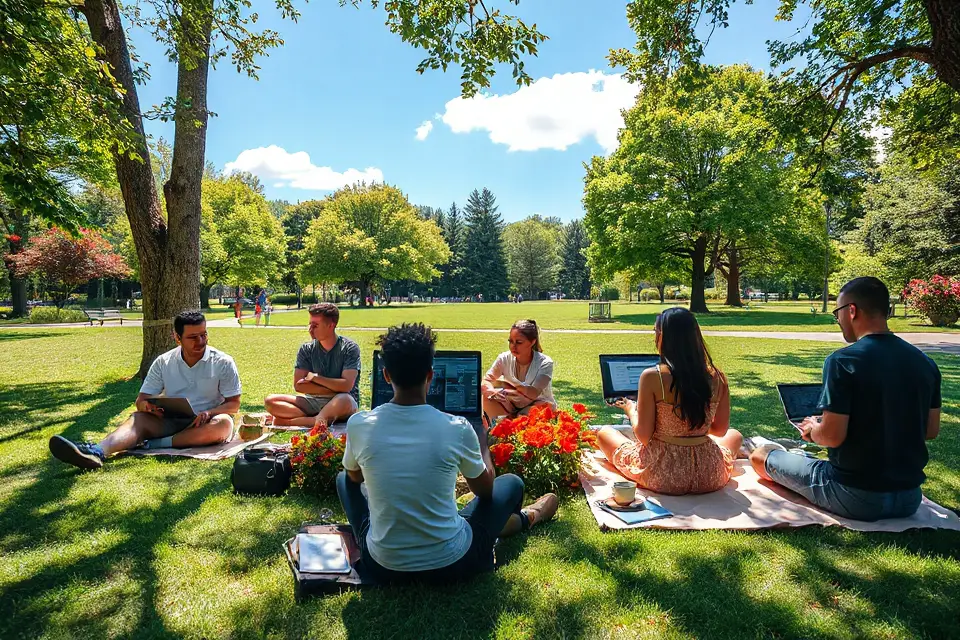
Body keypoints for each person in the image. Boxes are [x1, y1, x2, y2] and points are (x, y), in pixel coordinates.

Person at [337, 323, 558, 584]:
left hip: (382, 564)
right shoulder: (457, 427)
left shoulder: (360, 424)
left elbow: (354, 478)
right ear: (431, 375)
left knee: (343, 479)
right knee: (511, 483)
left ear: (386, 375)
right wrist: (482, 441)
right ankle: (525, 518)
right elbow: (485, 491)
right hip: (453, 562)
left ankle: (388, 537)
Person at [750, 277, 941, 521]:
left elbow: (831, 436)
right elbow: (930, 430)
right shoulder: (925, 363)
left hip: (853, 495)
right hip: (909, 498)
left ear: (851, 311)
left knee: (760, 456)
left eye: (837, 313)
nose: (838, 320)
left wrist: (813, 429)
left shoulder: (842, 361)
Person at [48, 311, 242, 469]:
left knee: (223, 425)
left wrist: (209, 412)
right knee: (138, 420)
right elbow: (141, 400)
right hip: (170, 421)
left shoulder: (223, 362)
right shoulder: (164, 362)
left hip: (207, 423)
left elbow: (233, 404)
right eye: (193, 337)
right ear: (177, 338)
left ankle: (154, 444)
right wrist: (147, 407)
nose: (200, 341)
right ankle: (96, 452)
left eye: (203, 334)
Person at [596, 308, 742, 495]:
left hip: (663, 474)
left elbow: (644, 436)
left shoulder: (652, 376)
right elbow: (720, 430)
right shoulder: (717, 377)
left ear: (662, 336)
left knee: (605, 433)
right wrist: (693, 428)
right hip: (709, 474)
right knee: (735, 435)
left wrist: (631, 410)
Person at [264, 303, 360, 428]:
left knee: (345, 399)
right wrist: (335, 387)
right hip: (312, 401)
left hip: (341, 401)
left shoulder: (349, 348)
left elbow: (346, 386)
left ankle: (291, 421)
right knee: (271, 401)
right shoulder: (306, 349)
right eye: (310, 324)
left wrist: (315, 378)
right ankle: (319, 418)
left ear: (331, 325)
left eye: (315, 325)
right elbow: (299, 385)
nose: (310, 329)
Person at [481, 319, 556, 423]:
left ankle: (509, 421)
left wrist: (507, 386)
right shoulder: (504, 358)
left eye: (519, 342)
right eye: (510, 341)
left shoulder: (545, 363)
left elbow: (533, 392)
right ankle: (490, 429)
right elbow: (486, 381)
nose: (513, 346)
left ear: (532, 342)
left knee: (521, 417)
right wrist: (491, 391)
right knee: (484, 400)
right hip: (512, 404)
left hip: (538, 403)